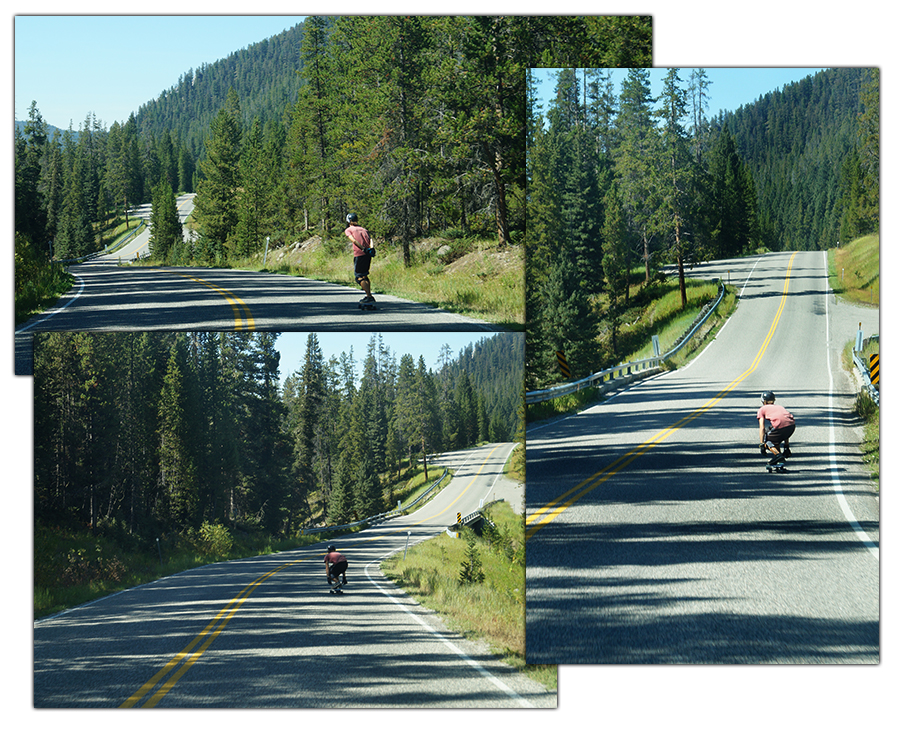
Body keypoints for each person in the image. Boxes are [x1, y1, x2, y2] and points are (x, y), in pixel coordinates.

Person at [344, 212, 375, 305]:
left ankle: (369, 296)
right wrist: (371, 248)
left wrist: (362, 248)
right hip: (368, 254)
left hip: (359, 254)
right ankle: (368, 295)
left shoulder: (348, 230)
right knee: (365, 275)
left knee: (359, 276)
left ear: (348, 221)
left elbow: (353, 240)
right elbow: (370, 239)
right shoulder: (364, 229)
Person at [757, 391, 795, 464]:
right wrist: (786, 446)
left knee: (767, 440)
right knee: (774, 435)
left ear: (763, 401)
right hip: (791, 426)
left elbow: (762, 427)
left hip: (780, 426)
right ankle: (779, 459)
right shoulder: (780, 407)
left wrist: (762, 444)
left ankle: (778, 455)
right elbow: (785, 424)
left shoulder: (762, 409)